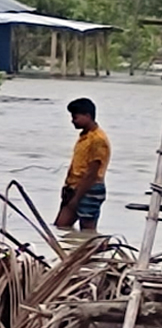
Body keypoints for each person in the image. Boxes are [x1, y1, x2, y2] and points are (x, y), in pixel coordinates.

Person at [55, 98, 111, 230]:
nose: (72, 121)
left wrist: (76, 199)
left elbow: (91, 173)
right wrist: (68, 188)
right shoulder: (84, 137)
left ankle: (94, 249)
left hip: (89, 188)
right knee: (61, 226)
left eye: (75, 117)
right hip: (75, 187)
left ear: (87, 116)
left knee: (87, 229)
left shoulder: (98, 139)